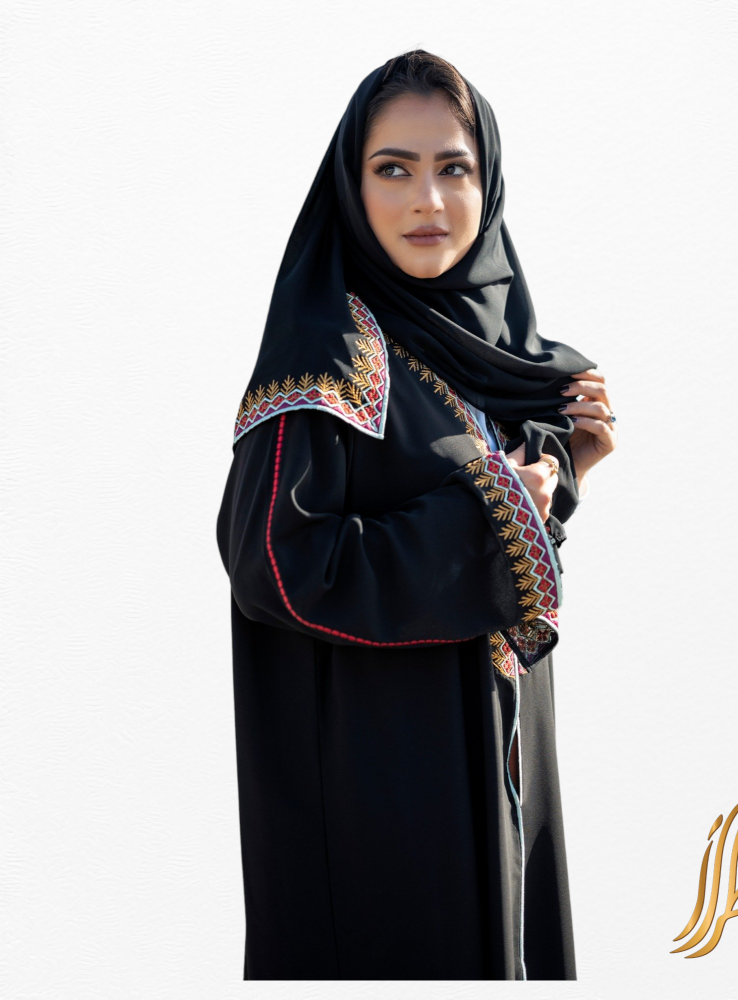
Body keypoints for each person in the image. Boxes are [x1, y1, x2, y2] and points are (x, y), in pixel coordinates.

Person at [216, 49, 617, 982]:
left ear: (489, 184)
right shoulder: (327, 361)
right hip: (378, 803)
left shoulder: (487, 366)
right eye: (392, 169)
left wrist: (560, 483)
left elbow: (492, 572)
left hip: (497, 771)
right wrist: (496, 510)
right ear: (350, 187)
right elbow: (277, 567)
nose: (427, 200)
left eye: (453, 168)